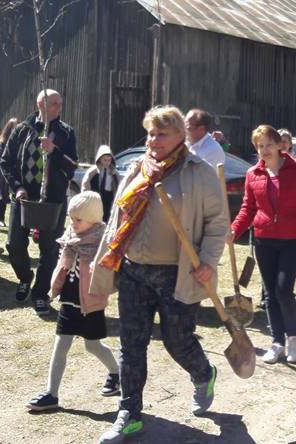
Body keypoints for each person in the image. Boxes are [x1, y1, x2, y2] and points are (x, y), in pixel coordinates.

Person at [90, 105, 226, 443]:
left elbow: (217, 223)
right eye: (150, 133)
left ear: (181, 135)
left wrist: (209, 260)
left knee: (177, 341)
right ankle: (130, 413)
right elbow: (118, 218)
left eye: (161, 133)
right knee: (131, 344)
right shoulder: (138, 169)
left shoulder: (200, 172)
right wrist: (105, 255)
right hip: (134, 270)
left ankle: (203, 372)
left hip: (177, 273)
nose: (153, 139)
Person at [229, 125, 296, 364]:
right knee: (270, 295)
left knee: (283, 289)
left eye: (268, 145)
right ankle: (277, 342)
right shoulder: (253, 174)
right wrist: (235, 229)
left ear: (279, 145)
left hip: (291, 240)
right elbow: (248, 208)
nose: (264, 150)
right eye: (259, 146)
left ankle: (293, 338)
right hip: (264, 239)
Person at [27, 191, 120, 412]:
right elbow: (62, 264)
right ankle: (52, 394)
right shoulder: (70, 237)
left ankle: (117, 374)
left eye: (79, 219)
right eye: (72, 218)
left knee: (92, 345)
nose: (74, 223)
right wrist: (54, 288)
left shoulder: (102, 241)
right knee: (60, 346)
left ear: (93, 219)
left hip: (91, 303)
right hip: (69, 300)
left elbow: (109, 271)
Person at [0, 89, 78, 316]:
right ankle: (25, 277)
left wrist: (54, 151)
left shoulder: (66, 133)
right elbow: (6, 163)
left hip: (52, 200)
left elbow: (72, 166)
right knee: (15, 244)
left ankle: (40, 294)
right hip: (24, 198)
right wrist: (18, 187)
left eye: (60, 104)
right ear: (41, 104)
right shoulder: (22, 130)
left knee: (50, 249)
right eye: (54, 104)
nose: (59, 108)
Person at [82, 145, 121, 223]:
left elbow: (120, 185)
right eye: (105, 160)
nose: (107, 162)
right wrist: (86, 198)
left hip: (109, 198)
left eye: (109, 160)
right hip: (96, 198)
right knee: (96, 217)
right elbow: (85, 185)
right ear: (99, 159)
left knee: (107, 217)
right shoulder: (93, 172)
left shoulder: (114, 172)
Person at [0, 117, 20, 225]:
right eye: (14, 126)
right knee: (3, 193)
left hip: (16, 171)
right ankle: (1, 218)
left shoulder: (20, 141)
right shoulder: (3, 142)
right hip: (5, 171)